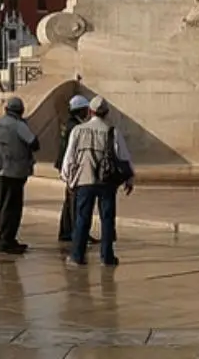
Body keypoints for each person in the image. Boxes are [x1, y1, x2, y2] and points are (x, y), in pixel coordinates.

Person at [61, 95, 135, 267]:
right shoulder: (112, 132)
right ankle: (107, 257)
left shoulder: (78, 130)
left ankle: (77, 256)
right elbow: (124, 157)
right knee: (107, 219)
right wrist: (129, 179)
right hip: (107, 181)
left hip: (84, 180)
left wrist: (68, 179)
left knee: (82, 219)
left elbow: (69, 157)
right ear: (106, 113)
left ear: (90, 111)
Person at [0, 95, 40, 254]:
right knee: (13, 207)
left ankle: (4, 238)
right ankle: (7, 240)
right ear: (21, 110)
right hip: (15, 170)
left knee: (2, 205)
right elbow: (34, 143)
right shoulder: (19, 125)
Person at [56, 94, 94, 246]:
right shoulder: (76, 127)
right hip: (73, 167)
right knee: (75, 202)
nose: (87, 113)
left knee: (69, 201)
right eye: (85, 109)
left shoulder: (70, 124)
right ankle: (76, 232)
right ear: (80, 110)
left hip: (67, 165)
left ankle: (66, 232)